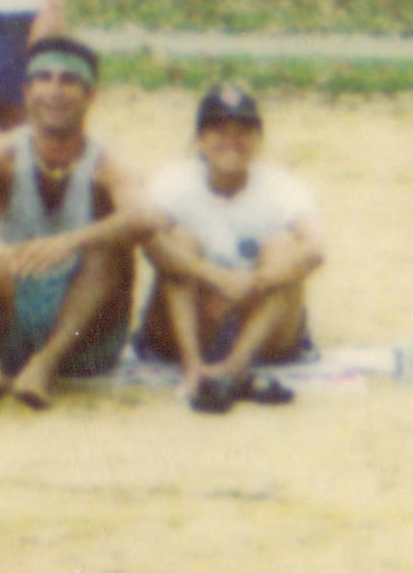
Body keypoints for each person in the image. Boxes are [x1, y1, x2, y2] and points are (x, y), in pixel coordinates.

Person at [0, 36, 149, 408]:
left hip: (80, 337)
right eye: (44, 79)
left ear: (90, 96)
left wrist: (73, 241)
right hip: (11, 322)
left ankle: (45, 365)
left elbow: (146, 216)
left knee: (113, 242)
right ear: (27, 91)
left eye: (68, 81)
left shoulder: (105, 160)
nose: (54, 91)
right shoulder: (5, 151)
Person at [139, 82, 326, 412]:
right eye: (218, 130)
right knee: (179, 241)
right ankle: (192, 365)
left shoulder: (282, 186)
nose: (231, 140)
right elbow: (147, 239)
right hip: (193, 319)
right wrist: (211, 275)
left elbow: (314, 250)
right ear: (199, 139)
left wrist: (257, 282)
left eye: (243, 131)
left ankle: (235, 366)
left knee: (283, 247)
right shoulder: (173, 181)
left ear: (258, 140)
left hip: (258, 324)